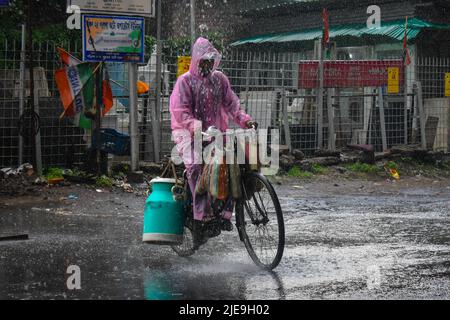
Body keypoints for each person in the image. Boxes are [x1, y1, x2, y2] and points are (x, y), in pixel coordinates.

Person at [170, 37, 257, 248]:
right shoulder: (185, 82)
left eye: (211, 61)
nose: (207, 65)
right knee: (196, 168)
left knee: (232, 167)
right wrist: (198, 128)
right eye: (203, 61)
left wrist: (246, 120)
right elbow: (181, 113)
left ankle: (225, 214)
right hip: (188, 136)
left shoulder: (220, 80)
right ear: (195, 60)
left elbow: (232, 105)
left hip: (217, 134)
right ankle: (201, 217)